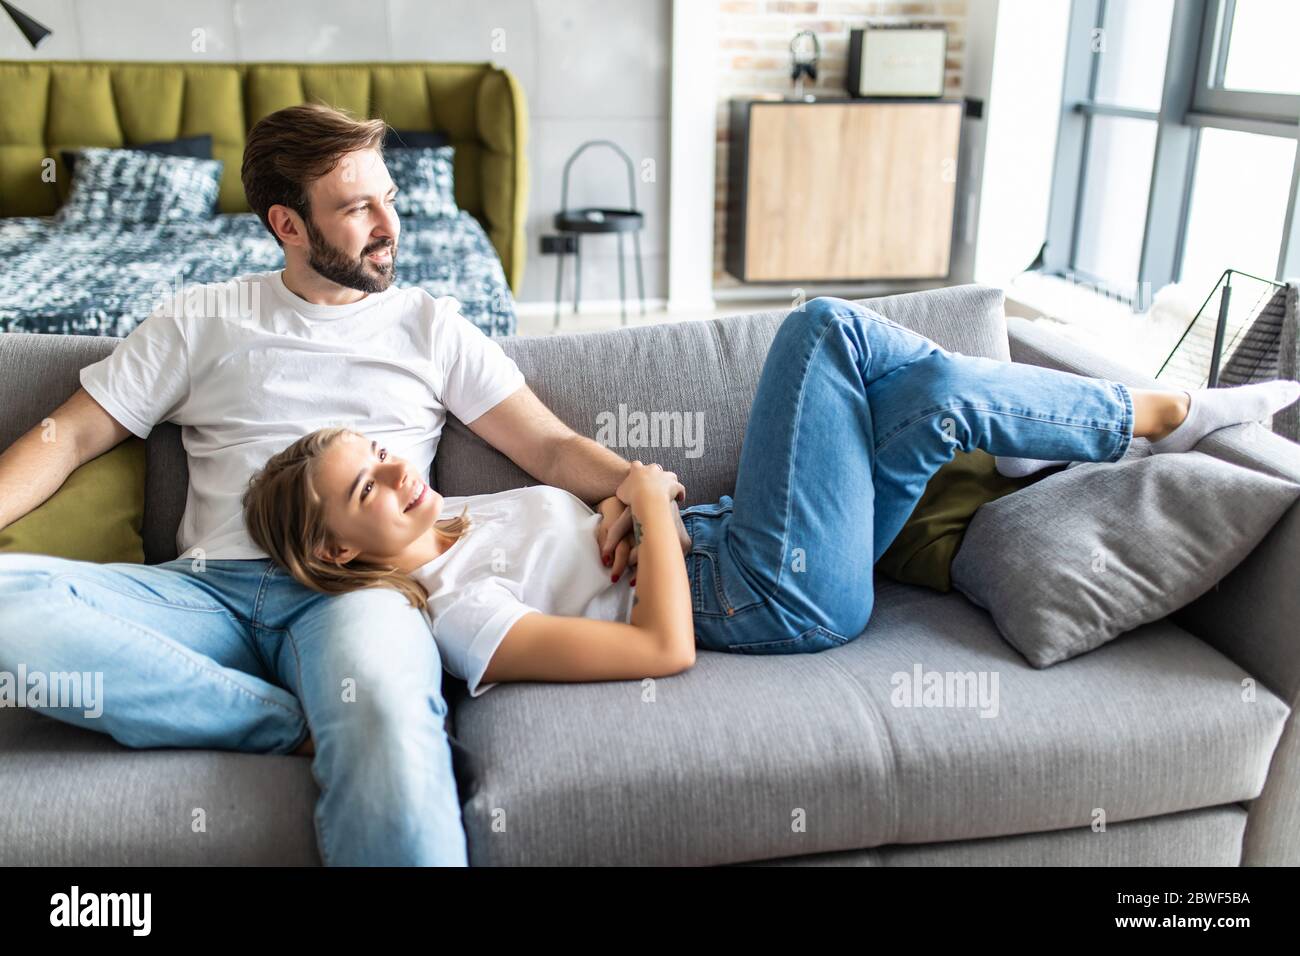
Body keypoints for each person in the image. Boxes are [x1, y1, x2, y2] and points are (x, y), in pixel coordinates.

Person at [0, 104, 659, 867]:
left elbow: (547, 446)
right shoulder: (202, 318)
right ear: (288, 224)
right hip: (204, 596)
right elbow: (72, 435)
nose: (390, 225)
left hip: (355, 594)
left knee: (381, 708)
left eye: (391, 198)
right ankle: (283, 723)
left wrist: (642, 489)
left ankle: (299, 717)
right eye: (357, 208)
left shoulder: (429, 325)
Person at [241, 296, 1300, 698]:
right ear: (336, 553)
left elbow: (594, 498)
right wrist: (646, 497)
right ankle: (1156, 416)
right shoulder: (454, 613)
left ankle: (1046, 441)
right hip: (763, 592)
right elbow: (661, 649)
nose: (395, 467)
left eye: (377, 450)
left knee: (934, 395)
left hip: (737, 543)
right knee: (819, 328)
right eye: (365, 486)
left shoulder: (468, 514)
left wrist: (621, 501)